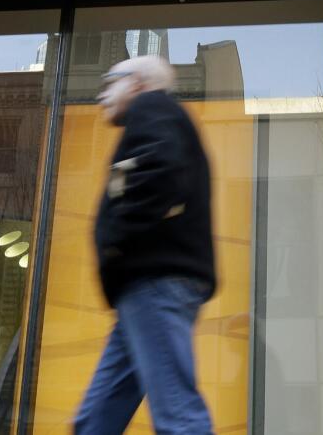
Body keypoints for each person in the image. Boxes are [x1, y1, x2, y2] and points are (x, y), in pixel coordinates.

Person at [74, 55, 216, 435]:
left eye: (110, 82)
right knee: (95, 420)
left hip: (154, 283)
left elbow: (162, 171)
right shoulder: (160, 118)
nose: (102, 94)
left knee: (178, 418)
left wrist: (118, 237)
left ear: (137, 83)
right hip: (144, 290)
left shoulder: (153, 108)